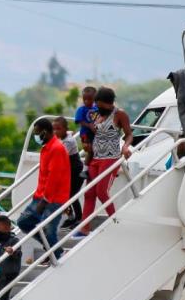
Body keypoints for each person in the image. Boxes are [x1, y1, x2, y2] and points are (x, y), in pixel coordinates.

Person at [74, 87, 133, 239]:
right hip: (95, 157)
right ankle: (84, 228)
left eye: (100, 104)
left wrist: (125, 147)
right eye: (97, 104)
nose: (98, 107)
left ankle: (115, 222)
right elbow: (91, 132)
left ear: (109, 103)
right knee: (89, 193)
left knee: (101, 191)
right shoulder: (97, 114)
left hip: (110, 157)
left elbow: (129, 134)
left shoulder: (119, 114)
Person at [17, 118, 70, 260]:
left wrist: (45, 199)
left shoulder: (57, 149)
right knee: (23, 222)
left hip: (53, 199)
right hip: (40, 196)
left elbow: (55, 177)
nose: (36, 135)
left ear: (45, 132)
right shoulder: (46, 148)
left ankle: (58, 254)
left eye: (37, 132)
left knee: (49, 230)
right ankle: (51, 247)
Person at [54, 117, 84, 229]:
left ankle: (79, 218)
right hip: (68, 172)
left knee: (72, 195)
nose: (56, 131)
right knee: (63, 195)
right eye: (54, 129)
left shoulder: (69, 141)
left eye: (59, 129)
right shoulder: (61, 138)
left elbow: (61, 156)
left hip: (76, 171)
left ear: (65, 129)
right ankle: (71, 217)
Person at [74, 86, 98, 178]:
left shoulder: (97, 108)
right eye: (85, 99)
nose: (87, 101)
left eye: (90, 99)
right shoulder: (81, 109)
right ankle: (85, 170)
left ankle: (106, 167)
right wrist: (89, 126)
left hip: (95, 133)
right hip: (86, 134)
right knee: (91, 151)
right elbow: (79, 121)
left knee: (99, 149)